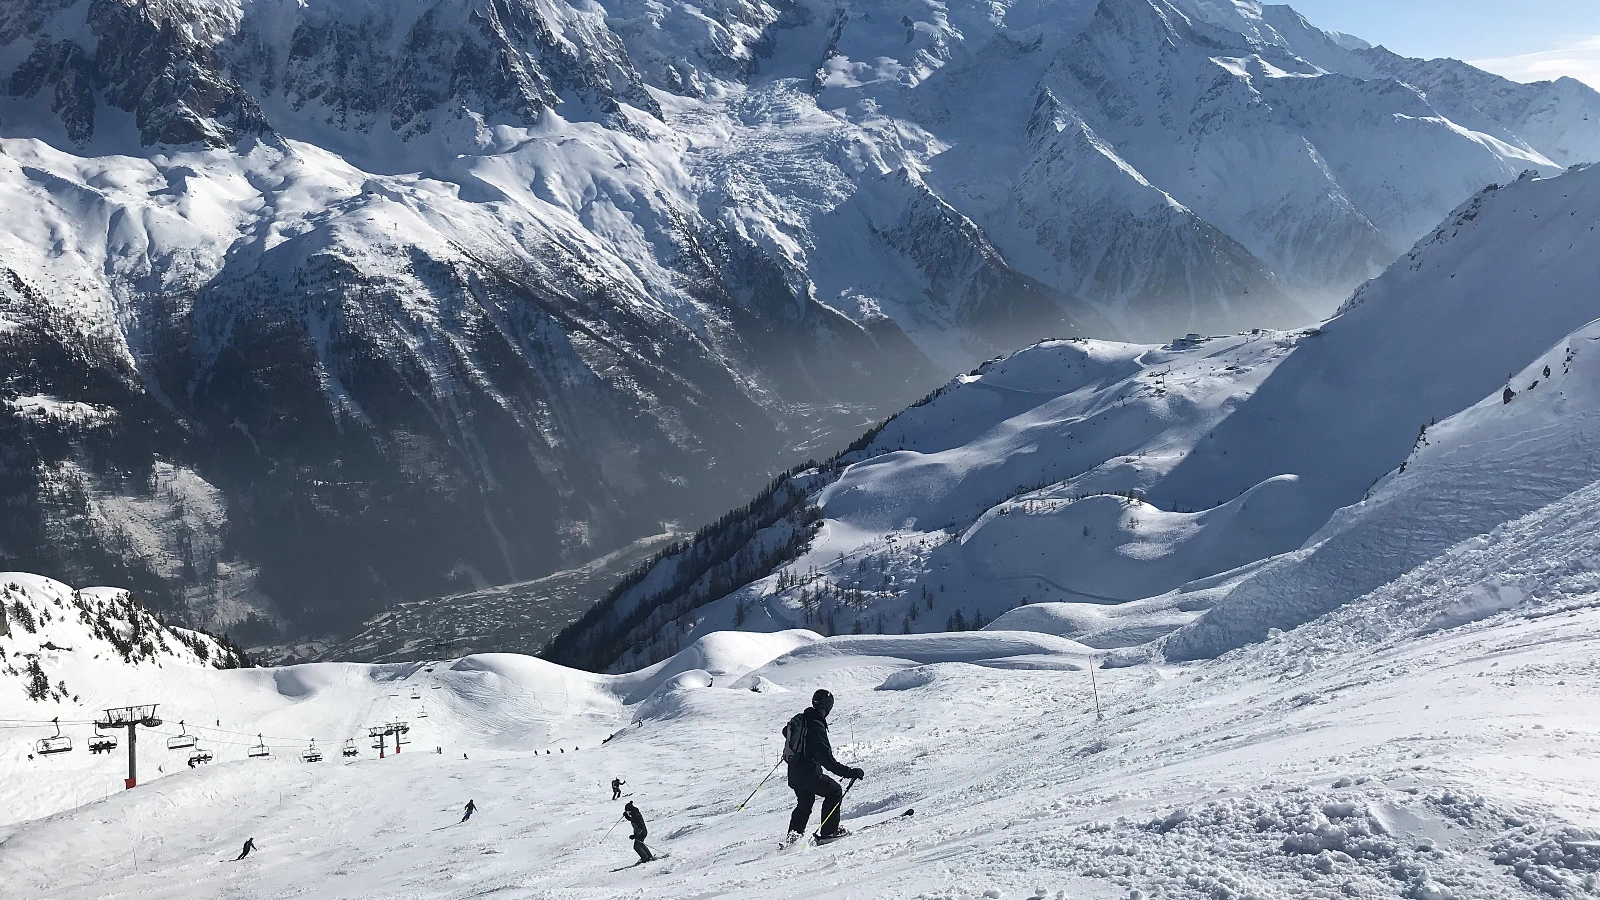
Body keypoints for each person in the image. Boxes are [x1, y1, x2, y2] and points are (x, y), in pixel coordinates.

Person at [783, 689, 864, 842]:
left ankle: (792, 839)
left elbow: (785, 731)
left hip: (794, 772)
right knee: (834, 791)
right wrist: (850, 772)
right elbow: (827, 760)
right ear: (828, 707)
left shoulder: (802, 719)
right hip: (809, 773)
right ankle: (829, 833)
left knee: (805, 802)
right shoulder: (815, 726)